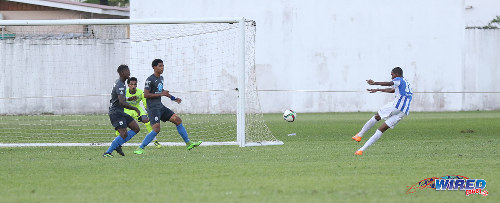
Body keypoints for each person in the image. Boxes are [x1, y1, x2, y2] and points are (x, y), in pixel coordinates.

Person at [134, 59, 202, 154]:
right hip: (153, 108)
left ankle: (188, 143)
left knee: (177, 120)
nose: (162, 68)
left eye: (163, 66)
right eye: (160, 66)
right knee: (156, 129)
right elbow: (146, 95)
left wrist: (173, 98)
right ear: (154, 67)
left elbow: (161, 91)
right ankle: (140, 148)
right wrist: (161, 94)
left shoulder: (161, 78)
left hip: (160, 107)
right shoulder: (149, 80)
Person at [352, 67, 413, 155]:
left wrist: (374, 83)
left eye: (392, 75)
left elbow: (389, 84)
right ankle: (361, 150)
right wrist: (378, 90)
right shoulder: (405, 82)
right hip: (403, 112)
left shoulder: (398, 79)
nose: (392, 77)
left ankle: (359, 135)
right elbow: (392, 90)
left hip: (396, 106)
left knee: (377, 116)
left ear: (396, 74)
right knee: (381, 129)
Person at [103, 65, 142, 157]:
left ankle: (117, 144)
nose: (129, 73)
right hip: (116, 112)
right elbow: (121, 102)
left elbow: (119, 98)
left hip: (120, 111)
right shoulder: (120, 84)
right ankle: (108, 152)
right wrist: (135, 108)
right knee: (123, 134)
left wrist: (129, 98)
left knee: (136, 128)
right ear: (122, 73)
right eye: (127, 71)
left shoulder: (120, 83)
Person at [114, 77, 162, 149]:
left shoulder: (140, 92)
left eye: (135, 84)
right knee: (122, 126)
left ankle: (154, 140)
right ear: (128, 85)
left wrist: (149, 111)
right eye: (131, 84)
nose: (133, 86)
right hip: (127, 109)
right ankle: (118, 141)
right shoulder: (124, 92)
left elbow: (145, 103)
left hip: (137, 109)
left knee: (146, 120)